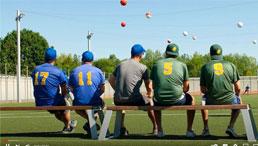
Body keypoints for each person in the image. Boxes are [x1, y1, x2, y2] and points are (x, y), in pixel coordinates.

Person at [109, 44, 157, 136]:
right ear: (141, 55)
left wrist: (118, 90)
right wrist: (149, 93)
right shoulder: (143, 67)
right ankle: (156, 127)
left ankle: (122, 128)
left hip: (118, 100)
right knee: (150, 102)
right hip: (134, 99)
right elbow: (148, 84)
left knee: (122, 107)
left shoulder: (120, 65)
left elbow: (111, 80)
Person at [150, 43, 196, 138]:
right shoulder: (182, 65)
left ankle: (159, 131)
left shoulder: (156, 64)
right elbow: (186, 88)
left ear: (166, 53)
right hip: (178, 99)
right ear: (177, 54)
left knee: (155, 100)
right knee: (192, 100)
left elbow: (153, 86)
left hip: (159, 100)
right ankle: (189, 130)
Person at [31, 48, 77, 133]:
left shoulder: (35, 70)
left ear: (44, 58)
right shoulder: (57, 71)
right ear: (55, 59)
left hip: (39, 101)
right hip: (52, 101)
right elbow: (64, 88)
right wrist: (64, 97)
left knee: (57, 111)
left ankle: (68, 124)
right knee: (66, 106)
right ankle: (68, 126)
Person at [200, 44, 241, 138]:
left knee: (203, 101)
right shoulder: (231, 65)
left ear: (210, 54)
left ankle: (206, 129)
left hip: (211, 99)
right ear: (221, 53)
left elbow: (202, 90)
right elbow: (238, 88)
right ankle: (231, 127)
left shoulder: (205, 67)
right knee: (239, 101)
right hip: (230, 99)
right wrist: (237, 95)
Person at [69, 51, 105, 134]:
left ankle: (90, 122)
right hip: (95, 102)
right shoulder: (98, 71)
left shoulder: (74, 71)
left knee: (77, 107)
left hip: (79, 102)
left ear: (82, 59)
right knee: (103, 105)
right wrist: (95, 95)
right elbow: (103, 89)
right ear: (92, 60)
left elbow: (70, 88)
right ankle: (91, 122)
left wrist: (78, 95)